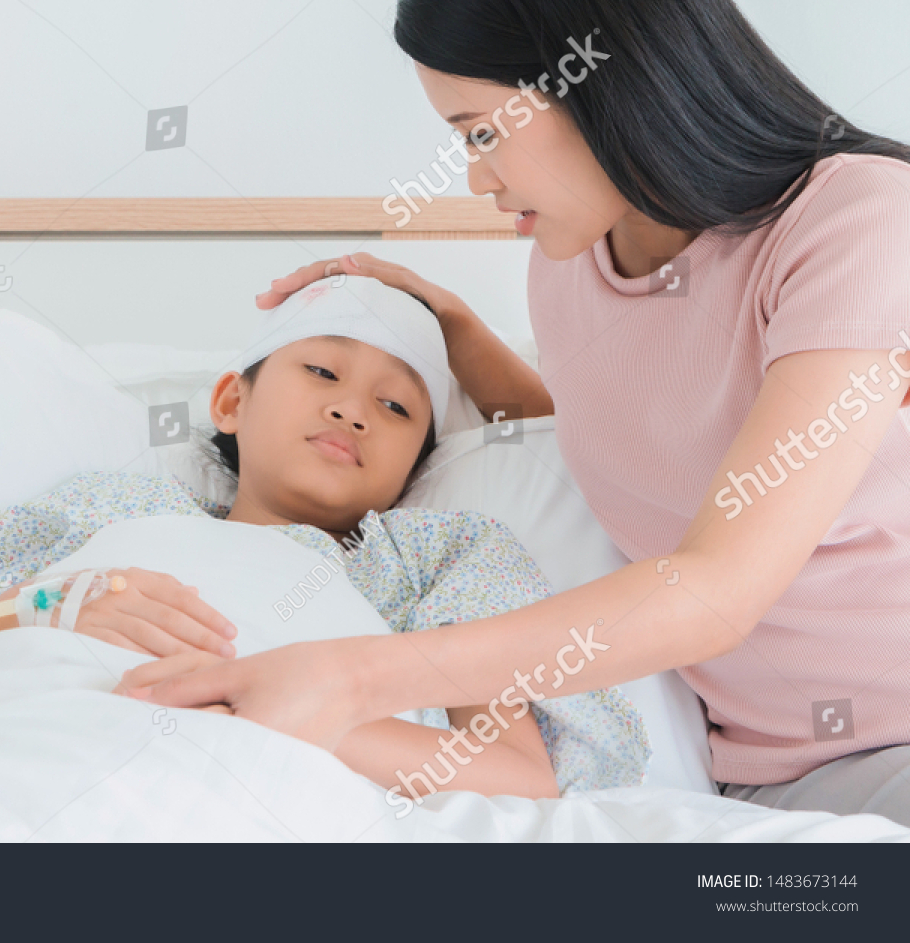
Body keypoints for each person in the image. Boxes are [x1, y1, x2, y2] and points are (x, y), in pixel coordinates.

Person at [133, 0, 910, 826]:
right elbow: (635, 449)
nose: (476, 176)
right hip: (753, 779)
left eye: (481, 133)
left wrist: (352, 680)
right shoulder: (567, 269)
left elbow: (720, 585)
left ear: (602, 83)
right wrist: (454, 328)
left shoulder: (859, 223)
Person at [0, 278, 650, 803]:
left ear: (414, 468)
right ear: (230, 401)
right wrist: (44, 606)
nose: (352, 410)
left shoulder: (441, 559)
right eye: (321, 373)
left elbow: (522, 776)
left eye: (396, 408)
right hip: (16, 740)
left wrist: (289, 709)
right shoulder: (106, 507)